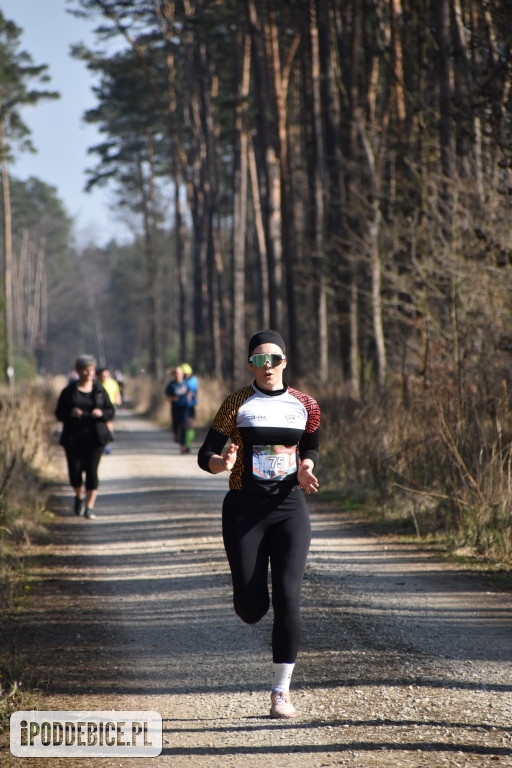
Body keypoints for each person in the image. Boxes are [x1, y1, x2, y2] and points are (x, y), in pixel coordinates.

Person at [198, 330, 320, 719]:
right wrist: (222, 463)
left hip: (289, 508)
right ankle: (251, 599)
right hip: (243, 510)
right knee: (251, 608)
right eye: (258, 360)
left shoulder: (305, 404)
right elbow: (205, 453)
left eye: (274, 359)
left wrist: (306, 466)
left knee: (289, 598)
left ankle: (280, 692)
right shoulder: (237, 402)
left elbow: (312, 444)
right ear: (250, 363)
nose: (267, 367)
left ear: (285, 361)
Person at [55, 355, 114, 519]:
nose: (89, 373)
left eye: (91, 370)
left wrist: (101, 413)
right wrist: (70, 413)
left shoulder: (100, 391)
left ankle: (89, 507)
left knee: (92, 471)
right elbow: (59, 413)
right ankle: (79, 496)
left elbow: (111, 411)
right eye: (85, 370)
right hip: (73, 439)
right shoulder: (68, 392)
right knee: (75, 473)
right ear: (78, 371)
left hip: (96, 438)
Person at [165, 366, 188, 444]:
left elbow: (190, 392)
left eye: (180, 373)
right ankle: (176, 435)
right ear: (174, 374)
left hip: (184, 407)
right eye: (177, 373)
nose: (179, 375)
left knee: (184, 426)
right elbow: (167, 397)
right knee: (176, 423)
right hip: (175, 407)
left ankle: (183, 445)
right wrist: (173, 398)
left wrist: (190, 398)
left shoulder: (185, 383)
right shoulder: (171, 385)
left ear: (182, 374)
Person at [181, 363, 198, 454]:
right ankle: (184, 445)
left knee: (190, 426)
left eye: (188, 374)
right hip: (183, 408)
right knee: (183, 427)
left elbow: (194, 390)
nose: (187, 375)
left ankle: (188, 445)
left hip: (191, 406)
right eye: (185, 374)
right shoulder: (181, 382)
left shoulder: (193, 381)